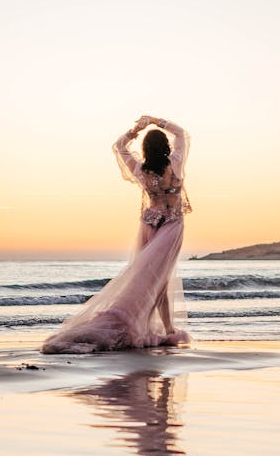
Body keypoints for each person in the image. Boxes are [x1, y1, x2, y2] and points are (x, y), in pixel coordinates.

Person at [41, 115, 191, 354]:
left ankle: (162, 326)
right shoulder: (176, 162)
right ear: (166, 146)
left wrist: (135, 130)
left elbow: (119, 147)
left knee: (154, 278)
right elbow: (182, 134)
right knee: (159, 278)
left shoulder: (142, 170)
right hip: (172, 224)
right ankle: (163, 327)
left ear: (145, 149)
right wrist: (156, 121)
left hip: (151, 225)